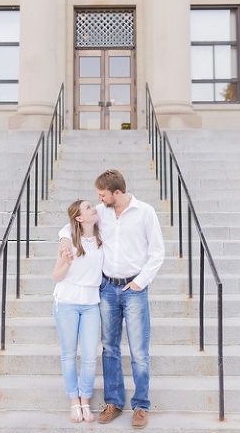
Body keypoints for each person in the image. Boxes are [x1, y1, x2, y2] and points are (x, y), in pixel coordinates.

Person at [59, 169, 165, 429]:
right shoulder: (101, 211)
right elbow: (73, 220)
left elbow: (157, 252)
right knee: (110, 348)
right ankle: (114, 402)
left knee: (139, 351)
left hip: (135, 288)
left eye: (102, 194)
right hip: (106, 288)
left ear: (116, 193)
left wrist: (140, 282)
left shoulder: (145, 213)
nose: (99, 198)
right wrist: (64, 239)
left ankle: (140, 405)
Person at [52, 199, 104, 423]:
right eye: (88, 207)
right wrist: (67, 262)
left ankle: (85, 399)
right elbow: (56, 276)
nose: (94, 208)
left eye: (93, 205)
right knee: (69, 354)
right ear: (80, 218)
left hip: (92, 303)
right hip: (67, 302)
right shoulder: (69, 241)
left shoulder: (103, 238)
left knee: (90, 356)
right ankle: (74, 401)